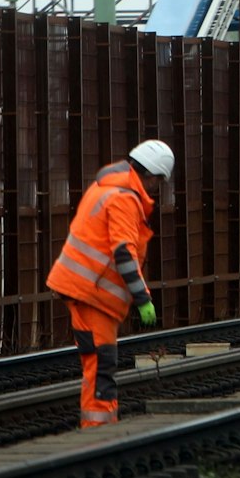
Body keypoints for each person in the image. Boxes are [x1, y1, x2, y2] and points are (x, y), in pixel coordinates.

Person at [46, 139, 174, 428]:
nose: (156, 188)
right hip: (93, 294)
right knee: (102, 364)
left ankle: (97, 427)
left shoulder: (106, 186)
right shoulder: (125, 198)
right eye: (158, 181)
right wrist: (143, 299)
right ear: (151, 176)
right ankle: (99, 432)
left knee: (95, 362)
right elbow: (123, 253)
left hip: (82, 288)